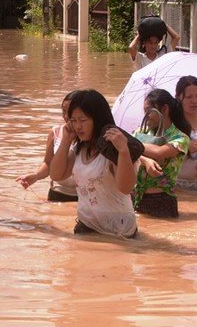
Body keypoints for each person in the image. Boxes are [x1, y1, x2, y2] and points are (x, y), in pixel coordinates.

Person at [49, 89, 137, 238]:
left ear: (97, 119)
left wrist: (123, 151)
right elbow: (56, 174)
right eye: (73, 120)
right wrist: (65, 140)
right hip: (87, 225)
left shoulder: (114, 149)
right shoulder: (78, 149)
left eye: (82, 120)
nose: (78, 126)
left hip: (119, 230)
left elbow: (126, 188)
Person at [132, 89, 191, 218]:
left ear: (164, 109)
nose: (145, 116)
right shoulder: (141, 132)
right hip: (134, 196)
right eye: (144, 111)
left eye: (149, 111)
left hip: (161, 200)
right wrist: (144, 160)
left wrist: (132, 145)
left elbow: (159, 153)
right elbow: (123, 152)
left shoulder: (180, 138)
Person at [16, 91, 79, 202]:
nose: (66, 116)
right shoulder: (55, 132)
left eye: (69, 112)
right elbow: (48, 163)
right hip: (58, 192)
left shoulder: (88, 136)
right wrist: (36, 176)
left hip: (84, 195)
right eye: (63, 111)